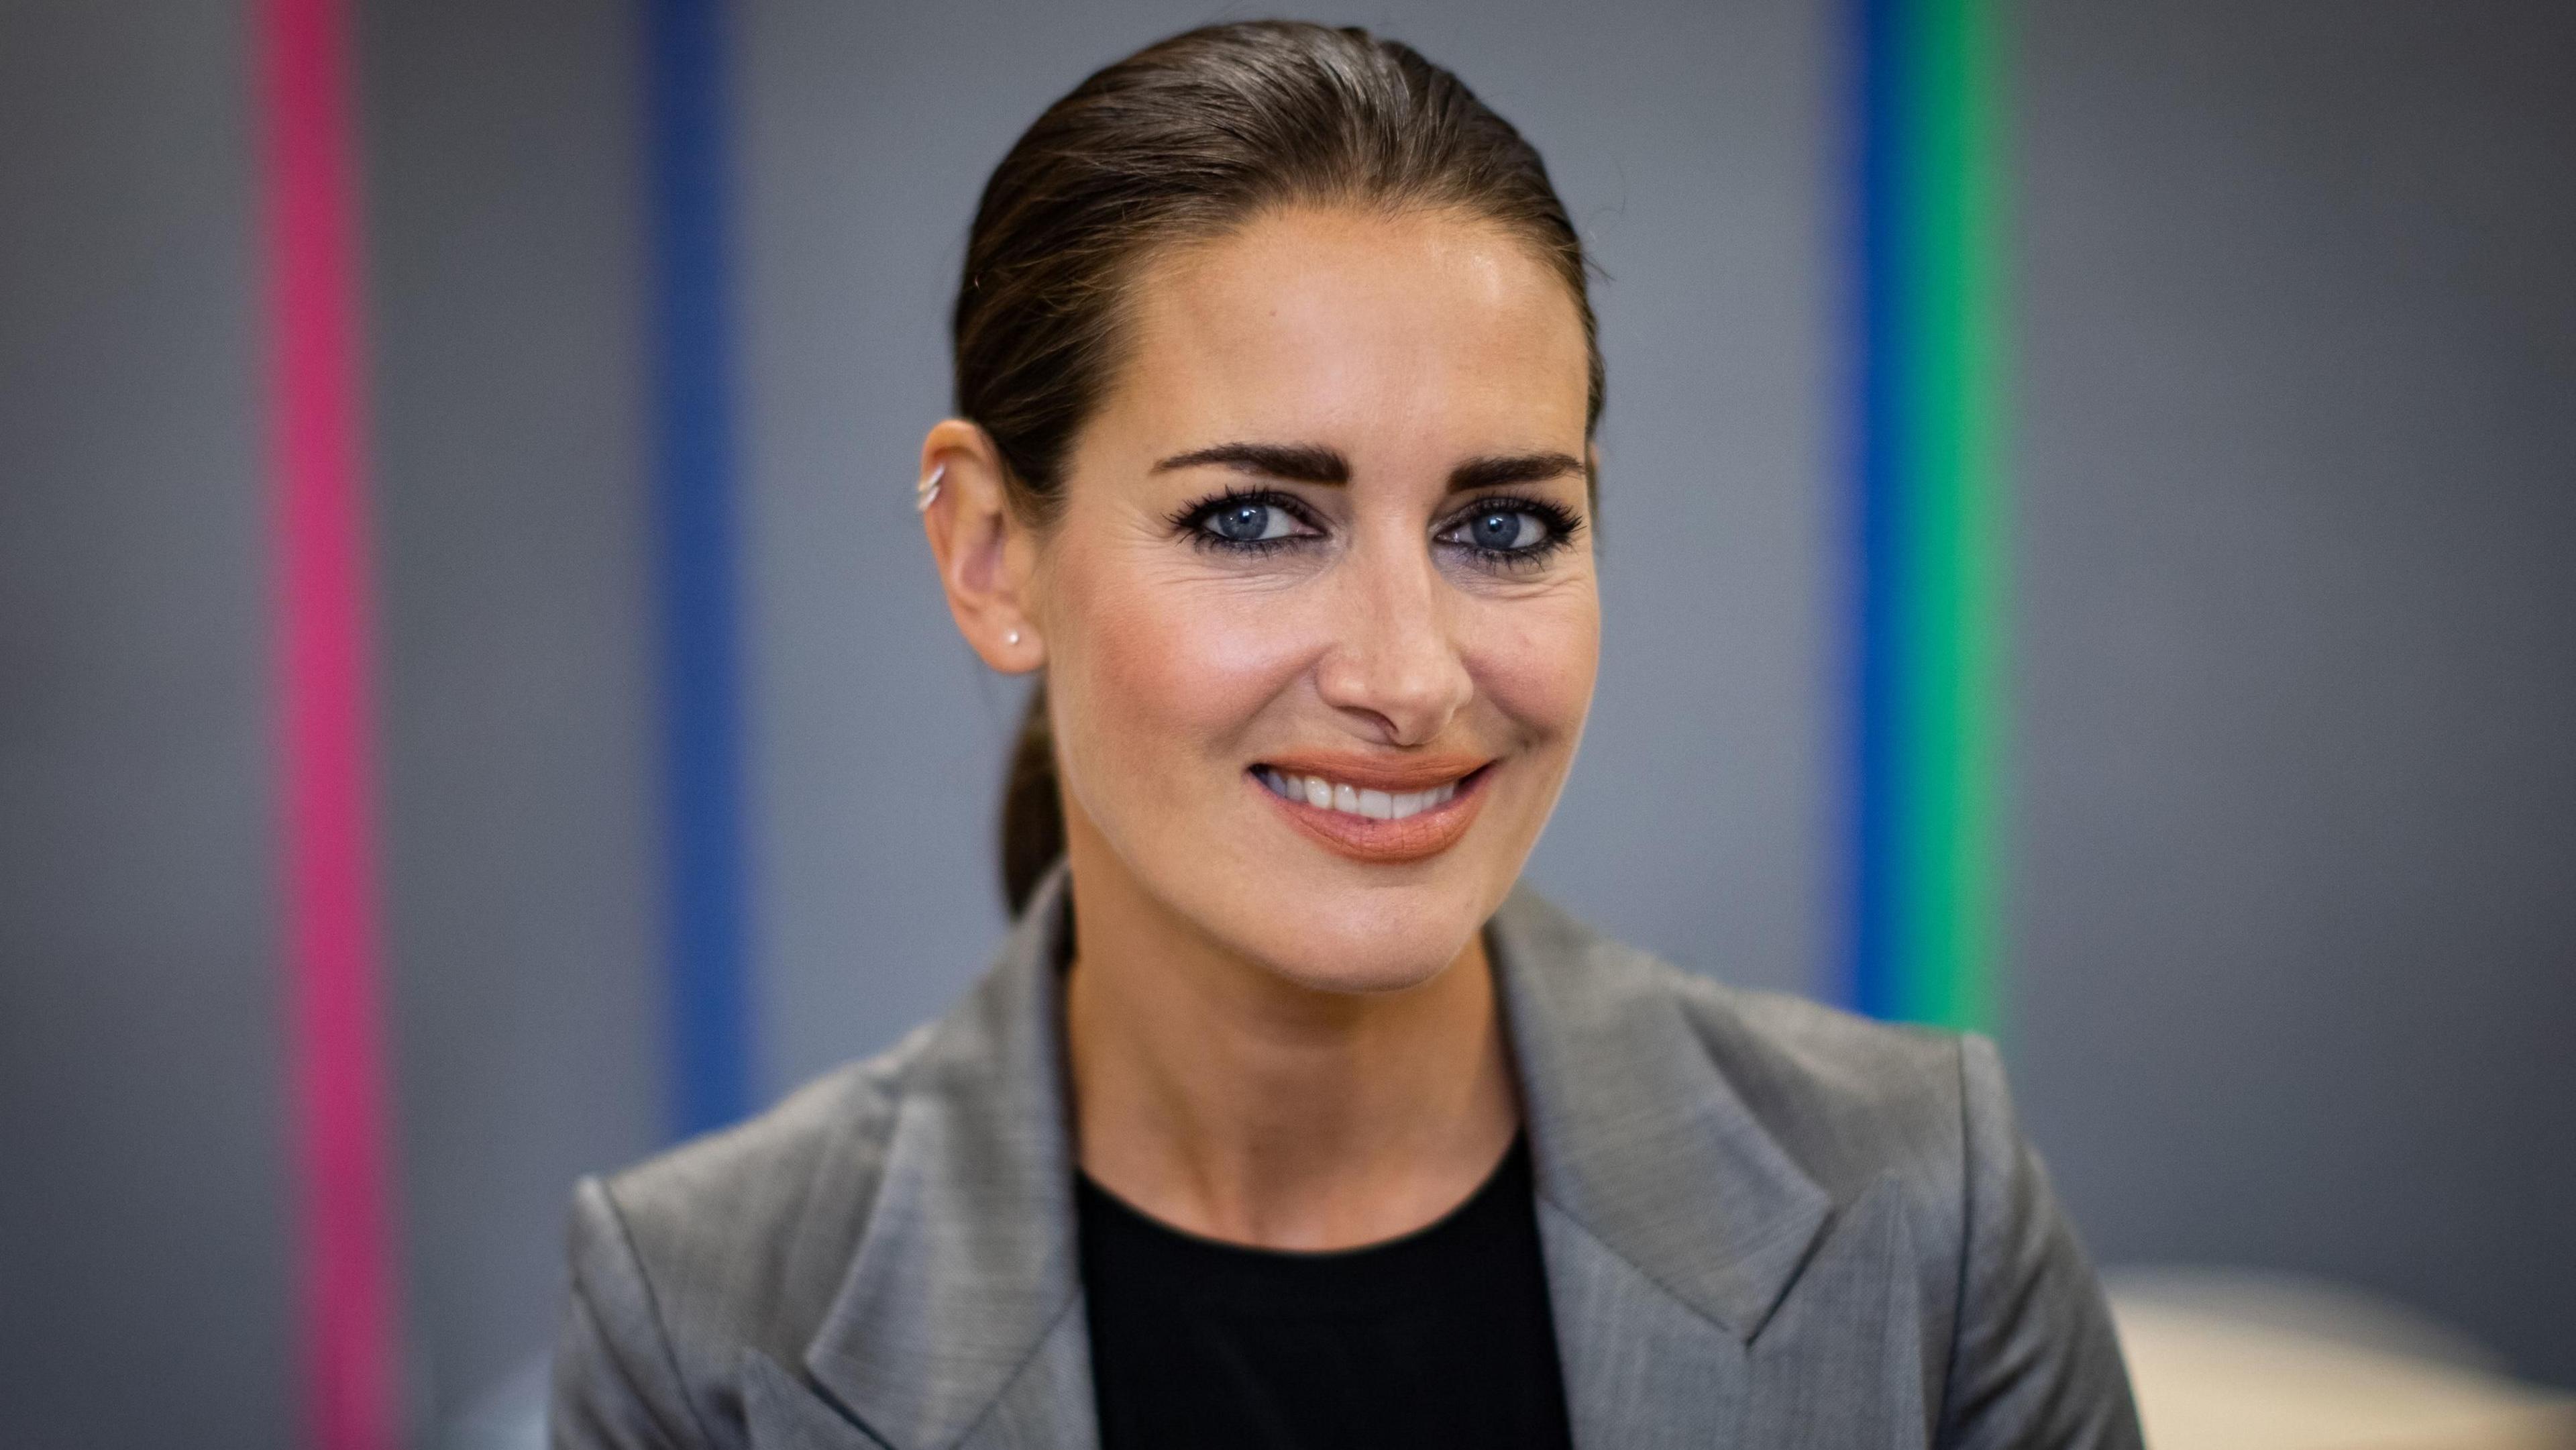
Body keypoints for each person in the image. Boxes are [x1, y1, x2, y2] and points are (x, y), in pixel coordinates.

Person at [549, 20, 2141, 1449]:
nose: (1412, 675)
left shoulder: (1925, 1210)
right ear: (988, 550)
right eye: (1252, 517)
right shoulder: (700, 1319)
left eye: (1506, 526)